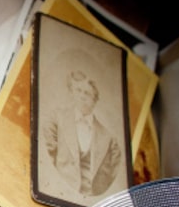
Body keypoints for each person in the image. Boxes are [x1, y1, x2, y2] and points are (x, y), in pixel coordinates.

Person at [42, 69, 122, 197]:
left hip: (90, 200)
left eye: (87, 93)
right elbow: (46, 154)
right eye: (78, 91)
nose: (82, 96)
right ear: (73, 93)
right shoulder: (57, 119)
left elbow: (114, 173)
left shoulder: (108, 137)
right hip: (59, 192)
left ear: (95, 100)